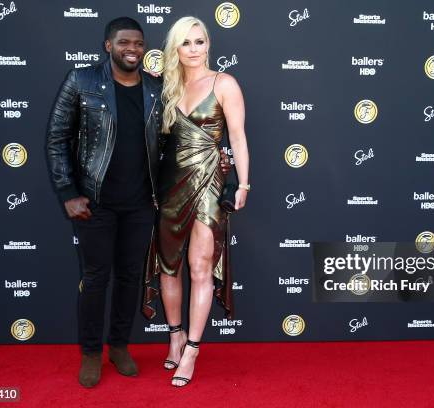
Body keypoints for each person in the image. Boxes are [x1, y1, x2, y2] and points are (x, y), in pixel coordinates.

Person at [46, 17, 163, 388]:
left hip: (141, 203)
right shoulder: (81, 81)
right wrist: (68, 193)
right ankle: (92, 352)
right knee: (96, 279)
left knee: (130, 278)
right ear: (108, 46)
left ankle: (120, 346)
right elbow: (57, 137)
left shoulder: (155, 89)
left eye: (139, 44)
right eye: (125, 42)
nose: (133, 49)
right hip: (95, 202)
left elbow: (169, 143)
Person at [154, 16, 250, 387]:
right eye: (186, 43)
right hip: (170, 187)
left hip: (210, 183)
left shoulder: (224, 83)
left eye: (200, 41)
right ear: (175, 49)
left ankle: (192, 348)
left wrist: (244, 184)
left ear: (209, 44)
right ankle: (175, 334)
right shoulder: (167, 88)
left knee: (198, 267)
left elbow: (238, 137)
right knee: (169, 267)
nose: (195, 49)